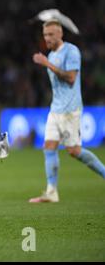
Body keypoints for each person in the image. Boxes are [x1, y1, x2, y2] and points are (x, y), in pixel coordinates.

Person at [29, 21, 105, 203]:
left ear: (60, 34)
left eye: (51, 34)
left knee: (74, 151)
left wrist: (47, 64)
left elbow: (71, 78)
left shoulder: (71, 51)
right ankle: (51, 192)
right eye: (45, 34)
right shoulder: (52, 54)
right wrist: (48, 61)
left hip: (70, 109)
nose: (47, 38)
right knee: (49, 146)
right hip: (55, 108)